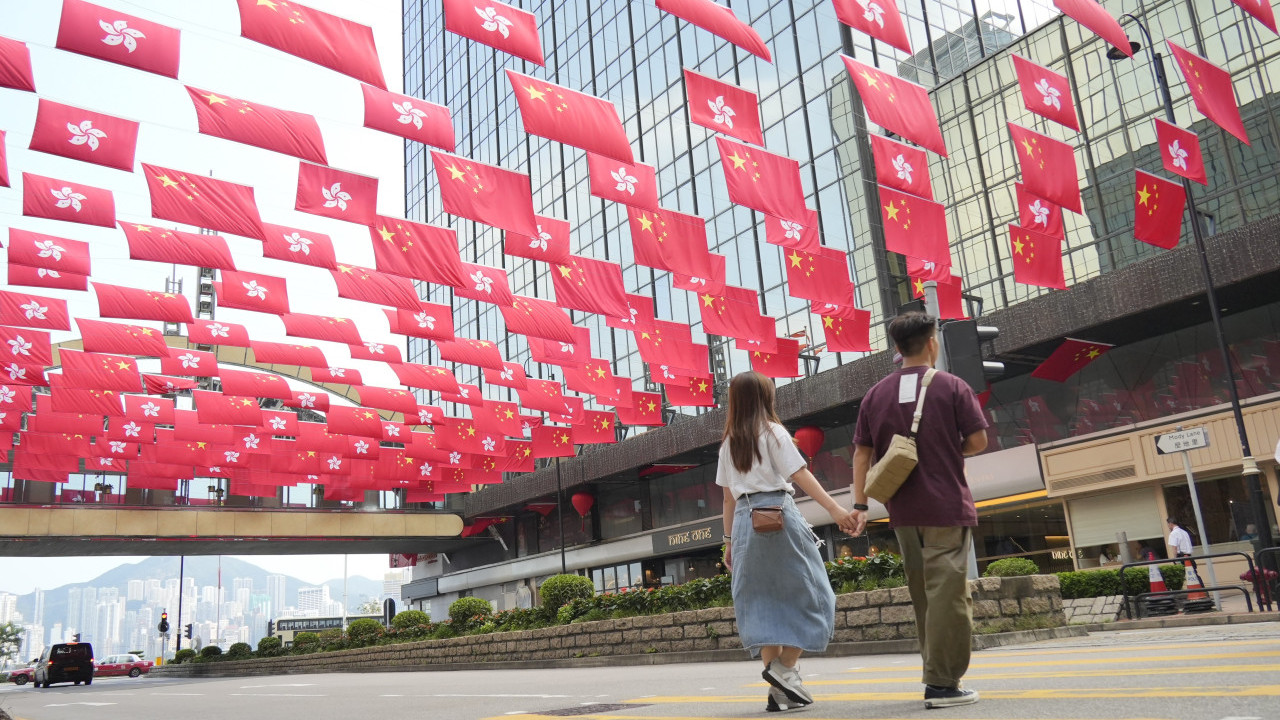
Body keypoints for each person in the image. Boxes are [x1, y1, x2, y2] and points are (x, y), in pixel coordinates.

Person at [850, 312, 989, 709]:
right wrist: (946, 449)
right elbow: (977, 441)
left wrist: (860, 504)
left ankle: (935, 672)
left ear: (897, 349)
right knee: (949, 595)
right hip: (946, 505)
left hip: (903, 511)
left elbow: (861, 454)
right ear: (932, 342)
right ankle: (943, 684)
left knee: (924, 596)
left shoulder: (875, 395)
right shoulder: (952, 386)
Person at [717, 371, 859, 713]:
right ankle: (784, 670)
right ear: (765, 398)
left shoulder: (728, 443)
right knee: (817, 593)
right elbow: (800, 474)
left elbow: (727, 499)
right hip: (777, 513)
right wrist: (837, 509)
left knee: (763, 600)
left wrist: (727, 542)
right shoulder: (773, 432)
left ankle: (779, 692)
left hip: (744, 525)